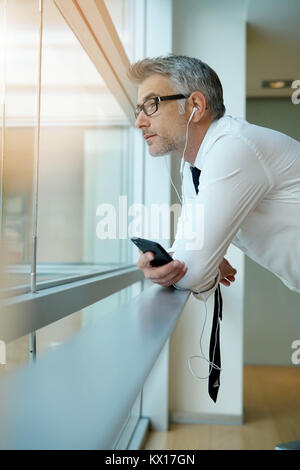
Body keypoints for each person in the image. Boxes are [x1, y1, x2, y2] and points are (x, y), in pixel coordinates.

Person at [127, 54, 300, 301]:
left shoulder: (234, 148)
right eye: (139, 109)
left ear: (195, 106)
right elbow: (188, 254)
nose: (139, 122)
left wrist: (191, 267)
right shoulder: (194, 168)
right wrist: (164, 266)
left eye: (151, 105)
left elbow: (192, 274)